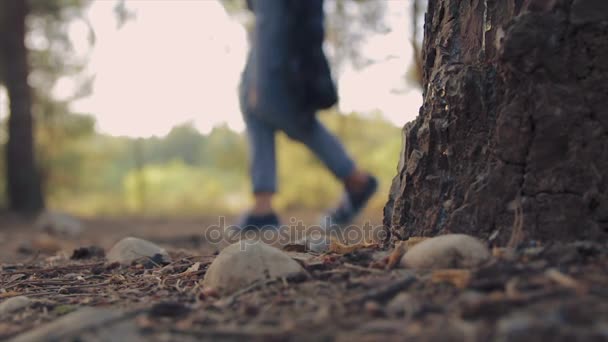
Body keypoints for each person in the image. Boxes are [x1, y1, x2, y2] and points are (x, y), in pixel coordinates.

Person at [238, 0, 377, 230]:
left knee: (271, 106)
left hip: (280, 37)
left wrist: (262, 79)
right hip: (271, 34)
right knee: (251, 103)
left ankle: (355, 179)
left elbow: (272, 23)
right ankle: (263, 207)